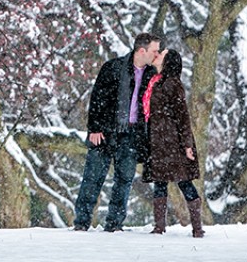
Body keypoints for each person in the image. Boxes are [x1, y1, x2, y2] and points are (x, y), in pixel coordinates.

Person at [73, 33, 160, 232]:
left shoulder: (151, 74)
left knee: (125, 179)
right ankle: (81, 223)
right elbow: (97, 98)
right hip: (105, 132)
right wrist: (94, 128)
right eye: (154, 50)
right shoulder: (113, 67)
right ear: (142, 50)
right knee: (93, 177)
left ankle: (114, 224)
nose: (157, 54)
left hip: (131, 135)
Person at [142, 48, 205, 238]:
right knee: (159, 182)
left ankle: (197, 228)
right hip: (157, 142)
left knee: (184, 181)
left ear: (168, 61)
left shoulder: (173, 84)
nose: (157, 54)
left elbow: (183, 116)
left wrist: (187, 145)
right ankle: (159, 227)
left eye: (161, 53)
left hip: (173, 143)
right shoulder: (155, 81)